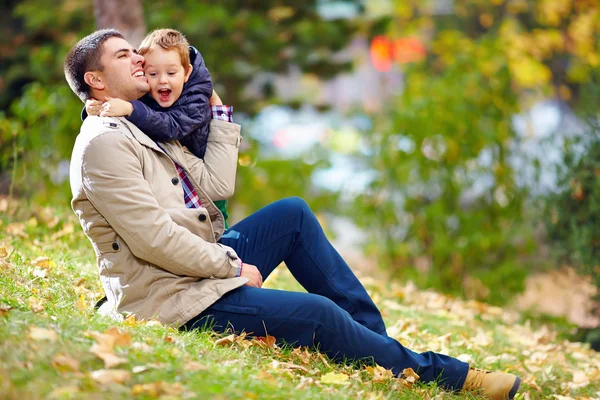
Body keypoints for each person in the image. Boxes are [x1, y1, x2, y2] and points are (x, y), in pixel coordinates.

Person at [64, 29, 521, 400]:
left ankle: (376, 349)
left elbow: (216, 186)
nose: (140, 62)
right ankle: (450, 376)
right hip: (170, 296)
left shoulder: (139, 120)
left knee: (293, 214)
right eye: (125, 56)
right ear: (97, 80)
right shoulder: (105, 143)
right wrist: (232, 266)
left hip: (194, 266)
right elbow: (153, 240)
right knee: (318, 314)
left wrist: (214, 108)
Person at [84, 28, 231, 227]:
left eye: (171, 73)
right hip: (179, 179)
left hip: (205, 185)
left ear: (186, 72)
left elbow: (173, 126)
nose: (162, 80)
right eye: (152, 73)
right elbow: (121, 95)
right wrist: (94, 107)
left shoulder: (196, 96)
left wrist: (129, 108)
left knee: (217, 227)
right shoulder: (149, 91)